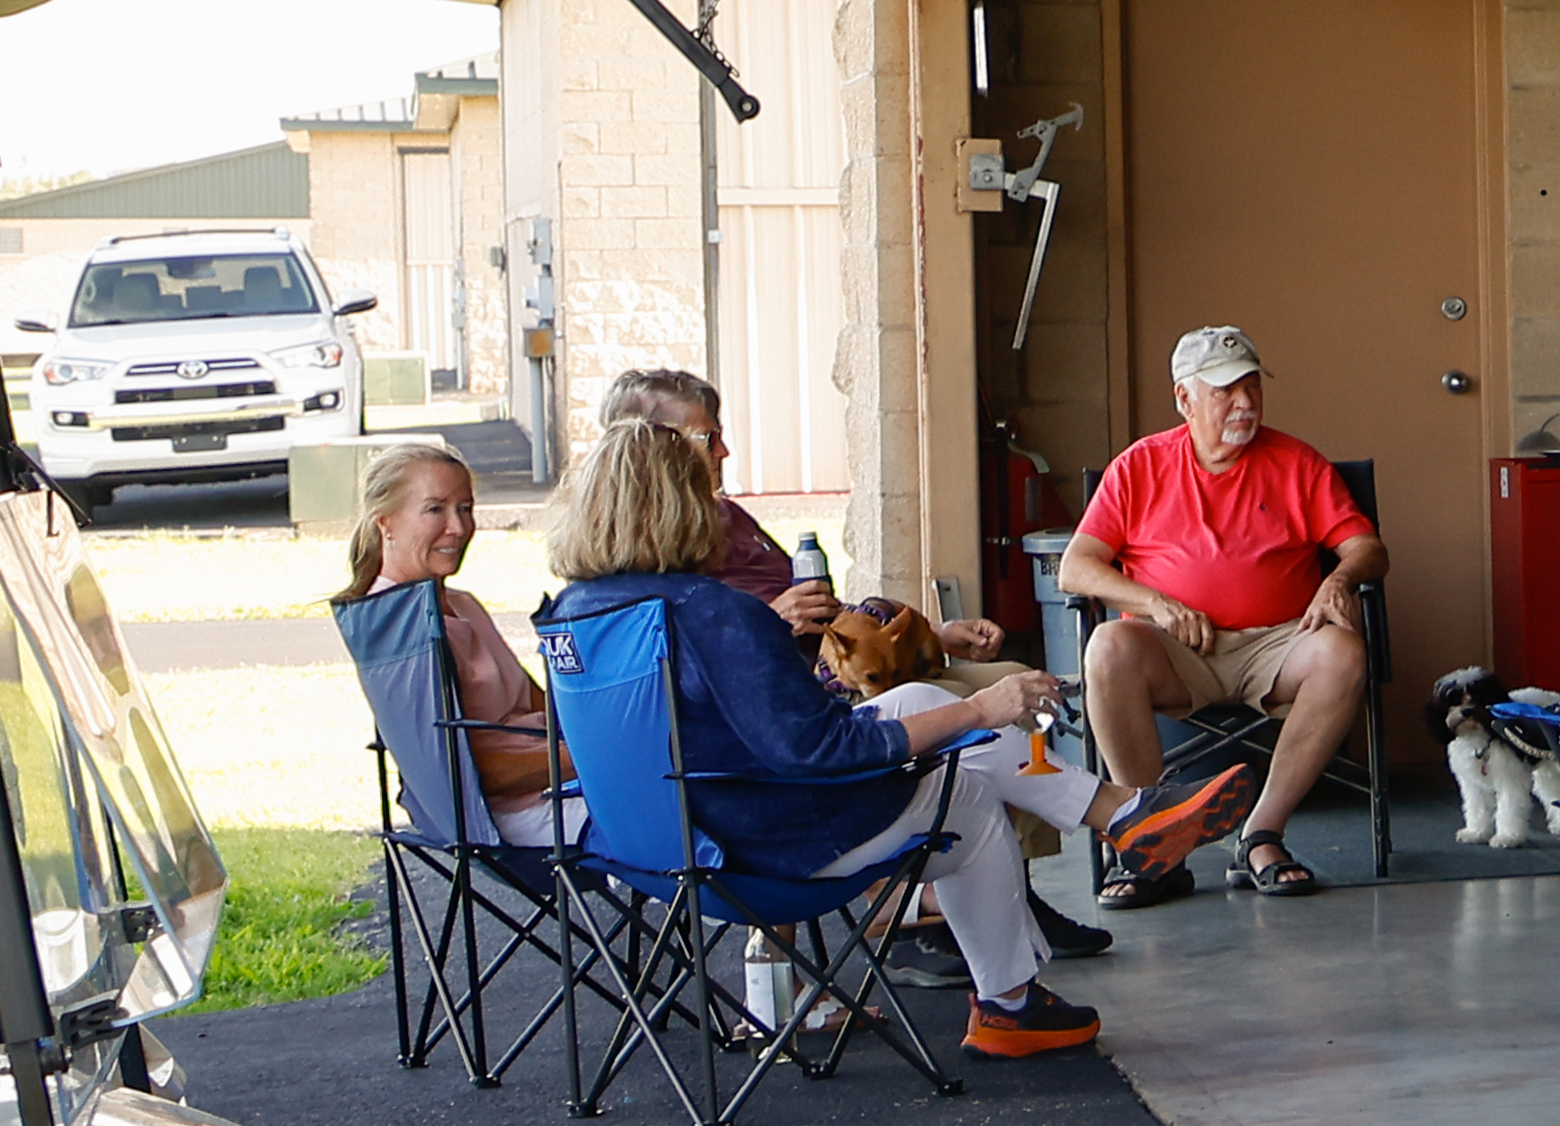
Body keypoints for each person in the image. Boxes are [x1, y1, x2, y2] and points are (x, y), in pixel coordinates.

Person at [536, 418, 1099, 1060]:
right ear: (684, 507)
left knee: (914, 704)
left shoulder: (571, 615)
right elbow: (819, 752)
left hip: (649, 848)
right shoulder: (711, 613)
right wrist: (975, 712)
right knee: (963, 796)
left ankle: (1116, 816)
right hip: (761, 853)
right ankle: (1011, 1006)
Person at [1065, 320, 1381, 900]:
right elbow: (1076, 567)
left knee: (1342, 652)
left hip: (1278, 645)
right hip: (1177, 651)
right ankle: (1153, 839)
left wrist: (1340, 579)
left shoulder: (1296, 463)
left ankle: (1262, 832)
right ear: (1184, 397)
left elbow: (1366, 548)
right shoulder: (1139, 466)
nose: (1244, 401)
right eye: (1224, 389)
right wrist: (1155, 603)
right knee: (1107, 646)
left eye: (1252, 385)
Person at [601, 363, 1006, 661]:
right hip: (790, 712)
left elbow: (823, 613)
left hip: (833, 671)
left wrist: (933, 632)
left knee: (1009, 684)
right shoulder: (636, 552)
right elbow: (670, 665)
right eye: (709, 438)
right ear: (651, 448)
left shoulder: (729, 517)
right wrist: (770, 622)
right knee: (987, 714)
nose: (723, 452)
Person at [330, 436, 559, 844]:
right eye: (435, 509)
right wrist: (606, 759)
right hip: (511, 816)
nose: (458, 527)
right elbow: (464, 773)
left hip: (559, 780)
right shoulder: (396, 626)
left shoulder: (460, 604)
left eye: (465, 509)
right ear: (386, 523)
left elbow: (541, 704)